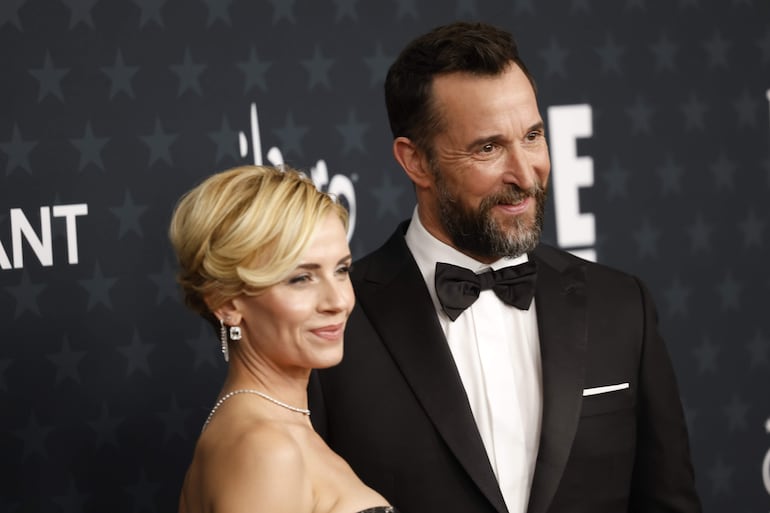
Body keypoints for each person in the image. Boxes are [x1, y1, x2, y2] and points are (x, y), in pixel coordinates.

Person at [308, 21, 702, 513]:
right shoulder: (335, 323)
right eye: (488, 148)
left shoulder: (622, 306)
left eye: (533, 136)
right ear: (416, 162)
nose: (525, 173)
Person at [169, 165, 397, 513]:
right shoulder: (266, 450)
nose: (338, 301)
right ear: (226, 303)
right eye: (301, 278)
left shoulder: (268, 430)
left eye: (341, 270)